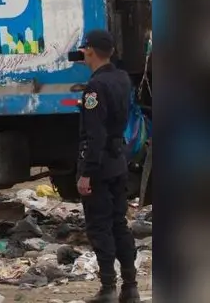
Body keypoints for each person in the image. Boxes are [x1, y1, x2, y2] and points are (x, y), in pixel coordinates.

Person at [74, 30, 139, 303]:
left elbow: (95, 134)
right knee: (119, 223)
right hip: (118, 160)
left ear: (89, 51)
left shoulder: (95, 87)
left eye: (84, 49)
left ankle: (108, 288)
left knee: (100, 226)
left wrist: (86, 173)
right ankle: (131, 286)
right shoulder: (122, 78)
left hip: (100, 165)